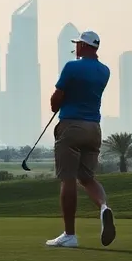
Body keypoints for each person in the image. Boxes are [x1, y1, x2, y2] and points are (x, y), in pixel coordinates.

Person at [45, 30, 117, 248]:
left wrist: (59, 103)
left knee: (68, 179)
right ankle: (104, 207)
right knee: (87, 178)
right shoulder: (105, 71)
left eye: (78, 44)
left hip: (71, 127)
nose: (75, 47)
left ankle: (70, 234)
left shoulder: (71, 67)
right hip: (94, 128)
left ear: (85, 46)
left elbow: (55, 100)